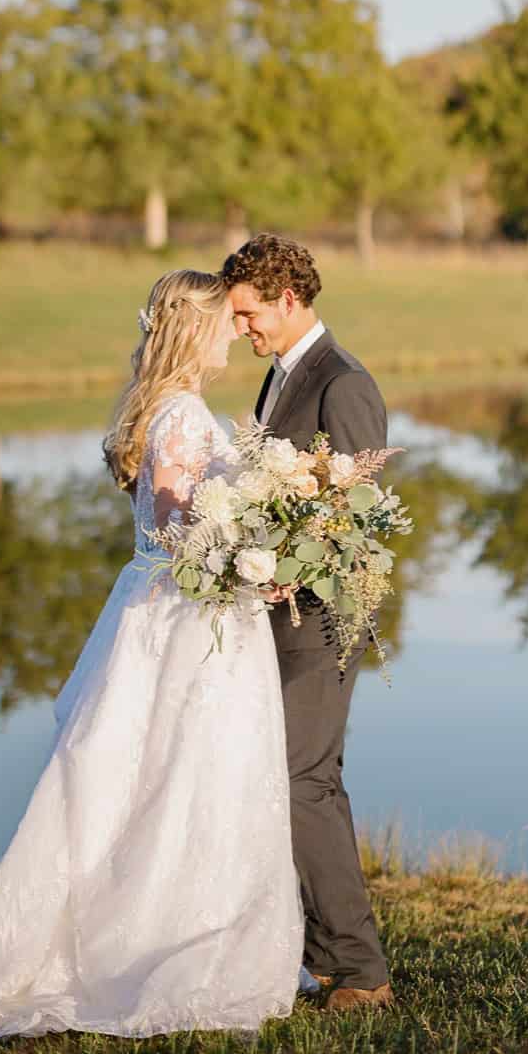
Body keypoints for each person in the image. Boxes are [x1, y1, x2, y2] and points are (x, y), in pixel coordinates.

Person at [0, 270, 304, 1041]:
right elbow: (186, 536)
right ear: (191, 330)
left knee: (158, 776)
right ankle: (152, 951)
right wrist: (259, 565)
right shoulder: (178, 416)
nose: (229, 333)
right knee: (180, 774)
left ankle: (176, 931)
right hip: (184, 621)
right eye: (219, 321)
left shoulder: (174, 409)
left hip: (174, 612)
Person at [222, 234, 393, 1011]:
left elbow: (361, 523)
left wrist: (286, 572)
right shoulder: (279, 377)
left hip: (323, 620)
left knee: (305, 781)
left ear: (288, 300)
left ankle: (361, 970)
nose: (242, 329)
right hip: (279, 615)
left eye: (249, 313)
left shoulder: (342, 383)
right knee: (296, 780)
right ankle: (327, 958)